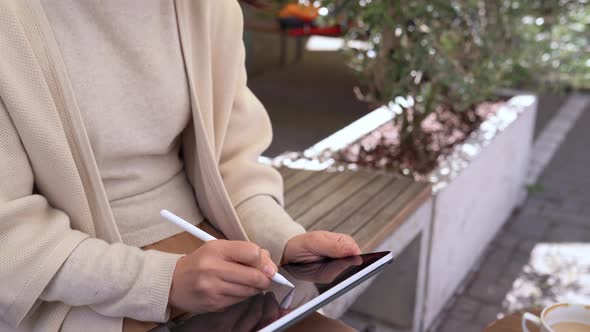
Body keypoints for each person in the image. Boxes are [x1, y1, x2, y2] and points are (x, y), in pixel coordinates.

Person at [0, 0, 361, 331]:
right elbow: (11, 239)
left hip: (216, 260)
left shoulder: (209, 8)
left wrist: (280, 239)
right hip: (77, 288)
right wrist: (164, 283)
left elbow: (229, 159)